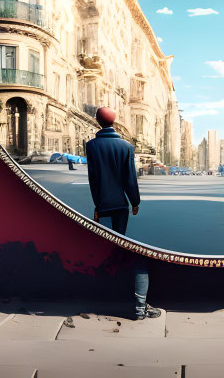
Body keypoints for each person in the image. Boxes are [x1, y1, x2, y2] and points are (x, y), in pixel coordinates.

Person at [84, 107, 160, 320]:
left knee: (105, 246)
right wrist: (134, 201)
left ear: (97, 121)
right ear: (115, 121)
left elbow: (93, 179)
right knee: (120, 243)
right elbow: (129, 178)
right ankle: (126, 291)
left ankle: (107, 287)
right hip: (120, 205)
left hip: (103, 204)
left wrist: (98, 206)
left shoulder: (91, 146)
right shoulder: (126, 147)